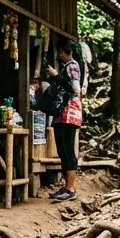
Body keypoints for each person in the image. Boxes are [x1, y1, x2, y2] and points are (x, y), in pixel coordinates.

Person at [45, 40, 83, 202]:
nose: (59, 56)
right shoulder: (68, 67)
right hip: (62, 114)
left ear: (66, 52)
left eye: (61, 53)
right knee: (62, 151)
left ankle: (70, 188)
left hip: (70, 112)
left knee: (68, 151)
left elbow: (75, 88)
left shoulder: (72, 66)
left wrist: (57, 76)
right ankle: (67, 187)